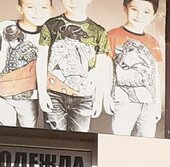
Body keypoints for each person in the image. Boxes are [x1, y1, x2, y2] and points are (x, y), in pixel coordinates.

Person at [36, 0, 110, 131]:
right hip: (54, 94)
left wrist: (98, 99)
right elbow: (41, 60)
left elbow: (101, 68)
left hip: (84, 98)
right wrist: (42, 93)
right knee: (54, 138)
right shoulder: (50, 25)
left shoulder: (99, 32)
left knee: (79, 139)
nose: (74, 2)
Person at [105, 0, 161, 137]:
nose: (140, 15)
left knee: (146, 141)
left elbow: (155, 75)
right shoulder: (112, 35)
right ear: (125, 9)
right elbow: (106, 69)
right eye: (134, 9)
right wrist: (106, 96)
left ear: (153, 15)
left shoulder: (153, 41)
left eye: (146, 12)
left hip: (149, 102)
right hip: (123, 100)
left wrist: (158, 104)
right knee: (121, 139)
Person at [0, 0, 51, 127]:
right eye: (30, 7)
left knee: (27, 131)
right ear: (20, 8)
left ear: (51, 8)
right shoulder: (4, 27)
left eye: (43, 7)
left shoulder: (50, 35)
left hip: (29, 97)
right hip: (2, 94)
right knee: (7, 130)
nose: (37, 12)